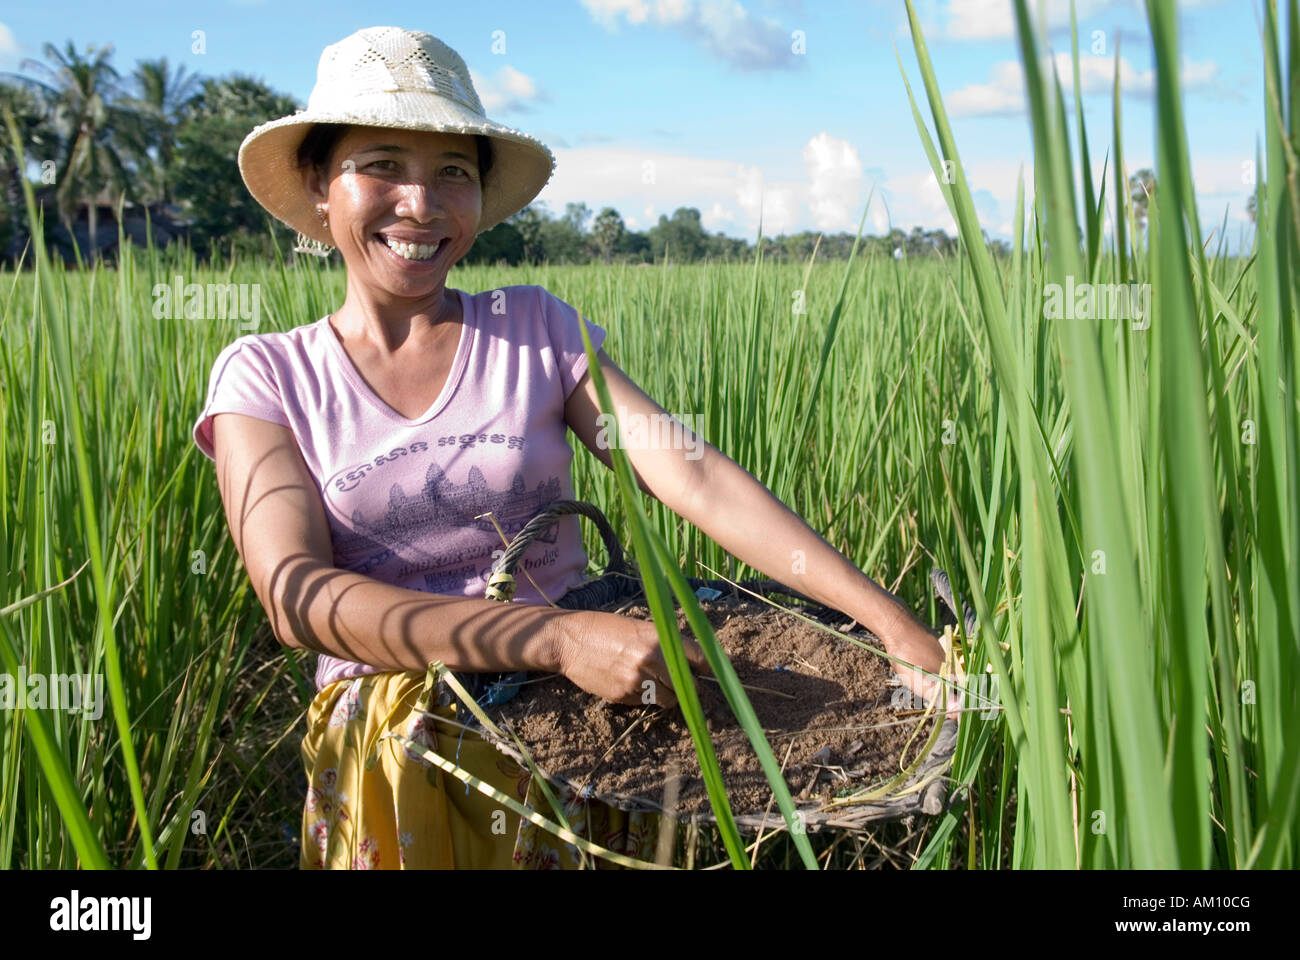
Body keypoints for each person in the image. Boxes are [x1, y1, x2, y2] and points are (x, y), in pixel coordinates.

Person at [192, 25, 954, 870]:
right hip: (404, 751)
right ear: (318, 185)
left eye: (453, 171)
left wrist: (890, 624)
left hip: (593, 724)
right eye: (382, 164)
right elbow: (296, 598)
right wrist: (553, 641)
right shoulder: (266, 377)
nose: (421, 202)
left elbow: (692, 475)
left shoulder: (535, 331)